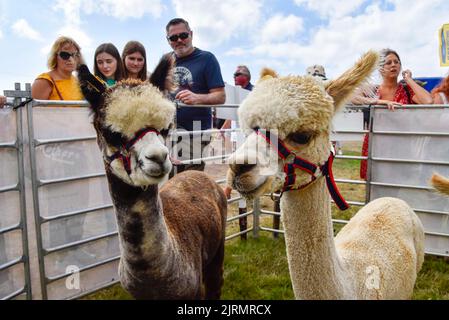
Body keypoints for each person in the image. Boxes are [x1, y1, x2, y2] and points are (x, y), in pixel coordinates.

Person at [30, 36, 93, 265]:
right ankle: (59, 251)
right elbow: (35, 116)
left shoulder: (79, 82)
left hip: (79, 150)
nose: (70, 59)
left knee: (81, 200)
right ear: (55, 56)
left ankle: (75, 247)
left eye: (75, 54)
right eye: (65, 54)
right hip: (55, 153)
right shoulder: (45, 81)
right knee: (60, 201)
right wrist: (68, 126)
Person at [352, 48, 432, 180]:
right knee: (376, 186)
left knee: (398, 185)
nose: (394, 65)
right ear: (380, 68)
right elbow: (351, 97)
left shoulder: (407, 90)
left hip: (401, 146)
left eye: (397, 62)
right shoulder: (374, 90)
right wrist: (379, 102)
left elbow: (428, 101)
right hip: (377, 146)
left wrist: (409, 79)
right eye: (388, 63)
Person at [166, 17, 226, 173]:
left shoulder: (207, 59)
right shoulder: (166, 61)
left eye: (183, 35)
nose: (179, 40)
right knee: (170, 180)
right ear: (168, 40)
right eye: (173, 37)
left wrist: (197, 98)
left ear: (191, 34)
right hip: (170, 132)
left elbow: (220, 96)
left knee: (190, 181)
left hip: (196, 132)